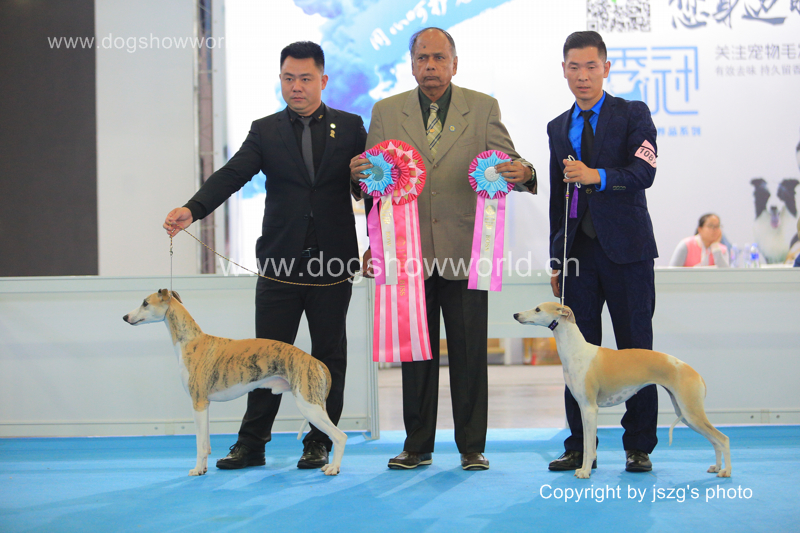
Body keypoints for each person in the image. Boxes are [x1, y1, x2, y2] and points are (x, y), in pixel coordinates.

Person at [163, 41, 367, 471]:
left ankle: (318, 442)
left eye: (305, 78)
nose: (296, 87)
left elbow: (368, 187)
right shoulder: (265, 130)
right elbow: (232, 174)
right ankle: (252, 443)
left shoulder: (351, 127)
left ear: (323, 80)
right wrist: (192, 209)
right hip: (279, 264)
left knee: (329, 356)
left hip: (333, 264)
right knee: (260, 358)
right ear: (280, 80)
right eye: (288, 78)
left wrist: (373, 222)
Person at [350, 27, 536, 471]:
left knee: (470, 352)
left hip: (465, 251)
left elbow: (510, 162)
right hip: (406, 254)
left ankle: (472, 446)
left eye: (438, 58)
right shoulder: (386, 111)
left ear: (455, 63)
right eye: (422, 58)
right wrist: (359, 187)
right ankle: (417, 446)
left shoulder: (483, 107)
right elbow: (375, 187)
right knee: (415, 351)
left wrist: (524, 172)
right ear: (411, 65)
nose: (430, 66)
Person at [547, 31, 659, 473]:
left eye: (591, 66)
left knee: (637, 350)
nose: (583, 76)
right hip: (578, 257)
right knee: (574, 352)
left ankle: (639, 445)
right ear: (564, 70)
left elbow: (644, 172)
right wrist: (557, 258)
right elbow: (558, 198)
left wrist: (597, 175)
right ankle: (579, 445)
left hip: (628, 252)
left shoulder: (632, 113)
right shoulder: (558, 127)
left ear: (606, 68)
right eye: (574, 67)